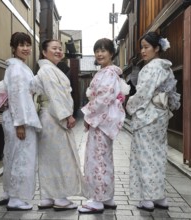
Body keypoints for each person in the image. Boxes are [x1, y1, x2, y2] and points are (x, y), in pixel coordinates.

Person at [125, 32, 181, 212]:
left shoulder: (150, 69)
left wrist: (129, 106)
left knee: (144, 156)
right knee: (157, 155)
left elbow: (143, 94)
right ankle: (159, 197)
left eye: (146, 47)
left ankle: (147, 198)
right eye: (141, 47)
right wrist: (170, 107)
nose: (142, 51)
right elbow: (172, 97)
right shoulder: (166, 69)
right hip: (161, 116)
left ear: (157, 48)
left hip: (147, 117)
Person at [78, 38, 130, 214]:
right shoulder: (106, 73)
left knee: (97, 158)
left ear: (111, 53)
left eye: (104, 50)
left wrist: (87, 114)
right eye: (97, 50)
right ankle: (107, 197)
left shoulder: (107, 74)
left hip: (101, 120)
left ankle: (98, 199)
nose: (99, 54)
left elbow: (103, 99)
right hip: (104, 120)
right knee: (104, 158)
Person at [31, 39, 83, 211]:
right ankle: (60, 198)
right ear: (44, 52)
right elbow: (55, 95)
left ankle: (47, 196)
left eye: (60, 49)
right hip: (53, 117)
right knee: (60, 157)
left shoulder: (48, 70)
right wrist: (67, 115)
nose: (59, 51)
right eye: (54, 48)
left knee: (48, 157)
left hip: (48, 116)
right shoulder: (47, 70)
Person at [0, 32, 42, 211]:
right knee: (22, 156)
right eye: (21, 45)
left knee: (11, 155)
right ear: (14, 48)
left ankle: (8, 192)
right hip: (20, 119)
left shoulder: (18, 67)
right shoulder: (17, 69)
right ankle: (16, 198)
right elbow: (17, 96)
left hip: (15, 118)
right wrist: (20, 123)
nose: (26, 48)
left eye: (28, 45)